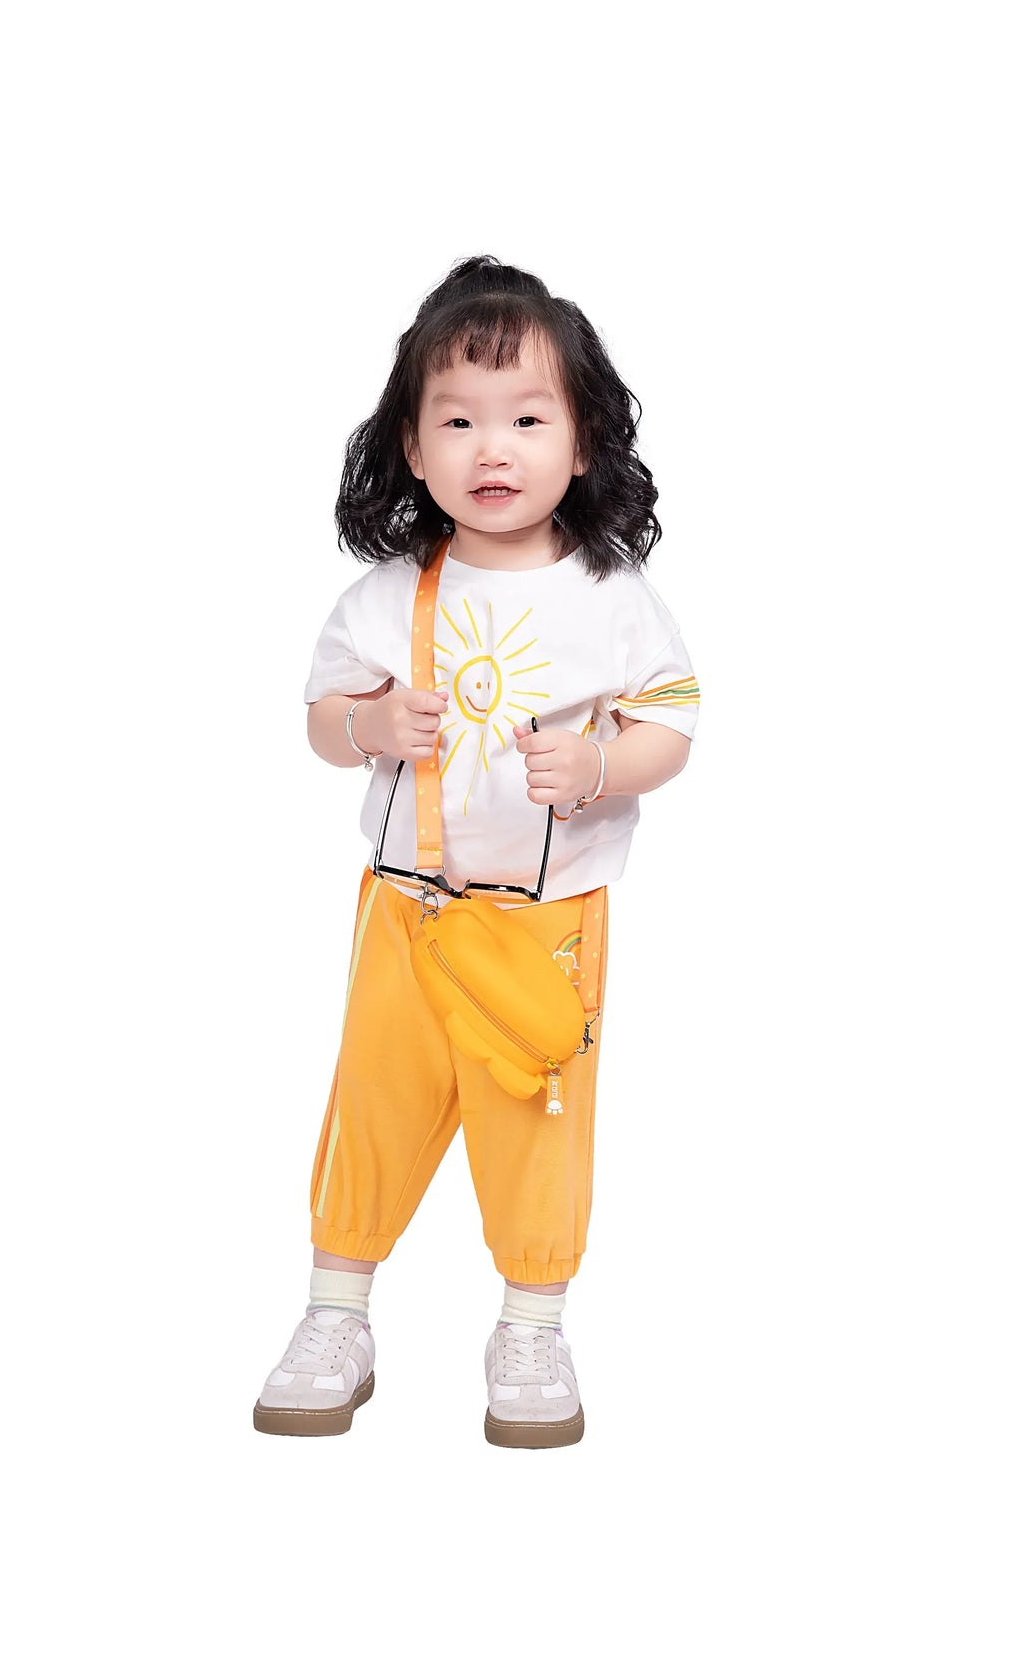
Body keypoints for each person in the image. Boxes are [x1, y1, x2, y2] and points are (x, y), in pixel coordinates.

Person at [253, 254, 701, 1448]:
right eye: (456, 419)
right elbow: (320, 724)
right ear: (410, 445)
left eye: (526, 418)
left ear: (584, 442)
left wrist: (602, 765)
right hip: (407, 906)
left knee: (536, 1112)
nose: (490, 446)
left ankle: (532, 1325)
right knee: (374, 1098)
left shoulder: (611, 595)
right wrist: (367, 728)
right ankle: (336, 1312)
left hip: (547, 919)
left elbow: (672, 725)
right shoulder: (386, 595)